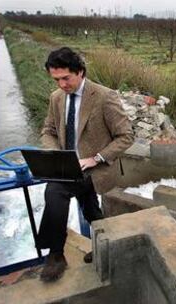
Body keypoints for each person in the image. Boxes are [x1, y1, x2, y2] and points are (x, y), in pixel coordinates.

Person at [37, 47, 134, 282]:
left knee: (71, 200)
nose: (61, 84)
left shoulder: (104, 96)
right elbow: (47, 131)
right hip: (68, 167)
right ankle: (64, 252)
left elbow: (126, 136)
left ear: (80, 72)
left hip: (97, 168)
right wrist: (56, 154)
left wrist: (95, 158)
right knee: (64, 195)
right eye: (56, 79)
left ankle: (66, 252)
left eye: (65, 78)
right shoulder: (56, 98)